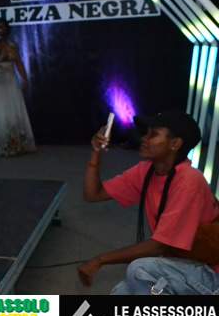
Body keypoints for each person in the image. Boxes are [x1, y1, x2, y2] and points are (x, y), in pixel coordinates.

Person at [79, 110, 219, 294]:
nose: (144, 139)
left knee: (139, 270)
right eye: (146, 133)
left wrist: (100, 260)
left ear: (175, 144)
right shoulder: (146, 171)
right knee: (120, 292)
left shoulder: (189, 181)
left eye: (153, 135)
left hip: (210, 273)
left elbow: (159, 245)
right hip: (180, 265)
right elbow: (93, 194)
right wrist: (96, 153)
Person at [0, 18, 35, 157]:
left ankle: (15, 145)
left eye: (3, 26)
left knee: (13, 110)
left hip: (10, 79)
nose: (0, 29)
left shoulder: (12, 46)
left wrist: (25, 79)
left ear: (7, 29)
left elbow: (19, 63)